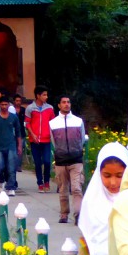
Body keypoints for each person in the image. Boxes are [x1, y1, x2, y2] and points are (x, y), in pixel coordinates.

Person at [79, 142, 128, 255]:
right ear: (98, 174)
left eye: (119, 175)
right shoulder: (91, 204)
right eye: (107, 175)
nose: (113, 182)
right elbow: (85, 249)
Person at [50, 95, 86, 224]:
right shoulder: (53, 123)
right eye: (64, 102)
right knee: (63, 189)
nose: (66, 104)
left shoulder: (78, 121)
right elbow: (53, 142)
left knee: (76, 188)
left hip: (76, 160)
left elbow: (82, 139)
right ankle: (64, 214)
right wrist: (60, 151)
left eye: (68, 102)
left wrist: (76, 150)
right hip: (60, 160)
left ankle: (78, 215)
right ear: (59, 105)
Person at [0, 96, 21, 195]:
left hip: (11, 145)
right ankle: (1, 181)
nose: (4, 106)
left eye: (6, 104)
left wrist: (19, 146)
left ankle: (11, 187)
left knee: (11, 167)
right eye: (2, 104)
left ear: (9, 105)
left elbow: (18, 132)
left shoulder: (13, 117)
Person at [26, 85, 55, 192]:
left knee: (47, 161)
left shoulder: (50, 108)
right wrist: (32, 135)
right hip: (34, 141)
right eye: (44, 95)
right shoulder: (30, 108)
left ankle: (47, 181)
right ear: (38, 96)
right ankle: (40, 183)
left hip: (46, 140)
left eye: (46, 94)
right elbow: (27, 123)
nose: (46, 97)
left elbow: (53, 123)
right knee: (38, 162)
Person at [13, 94, 27, 172]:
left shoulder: (23, 110)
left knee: (20, 149)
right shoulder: (11, 110)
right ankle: (13, 165)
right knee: (13, 150)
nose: (18, 102)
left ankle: (18, 166)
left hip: (21, 132)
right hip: (12, 133)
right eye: (17, 101)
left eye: (19, 101)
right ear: (14, 101)